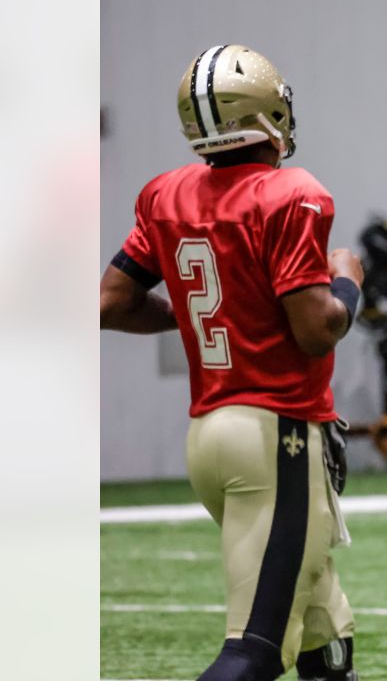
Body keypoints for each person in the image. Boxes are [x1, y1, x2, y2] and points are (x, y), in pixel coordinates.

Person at [99, 44, 363, 681]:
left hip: (209, 438)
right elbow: (314, 331)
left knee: (325, 625)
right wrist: (351, 282)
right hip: (277, 438)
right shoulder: (290, 193)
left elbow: (111, 301)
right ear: (268, 110)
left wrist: (190, 316)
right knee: (254, 650)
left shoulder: (166, 194)